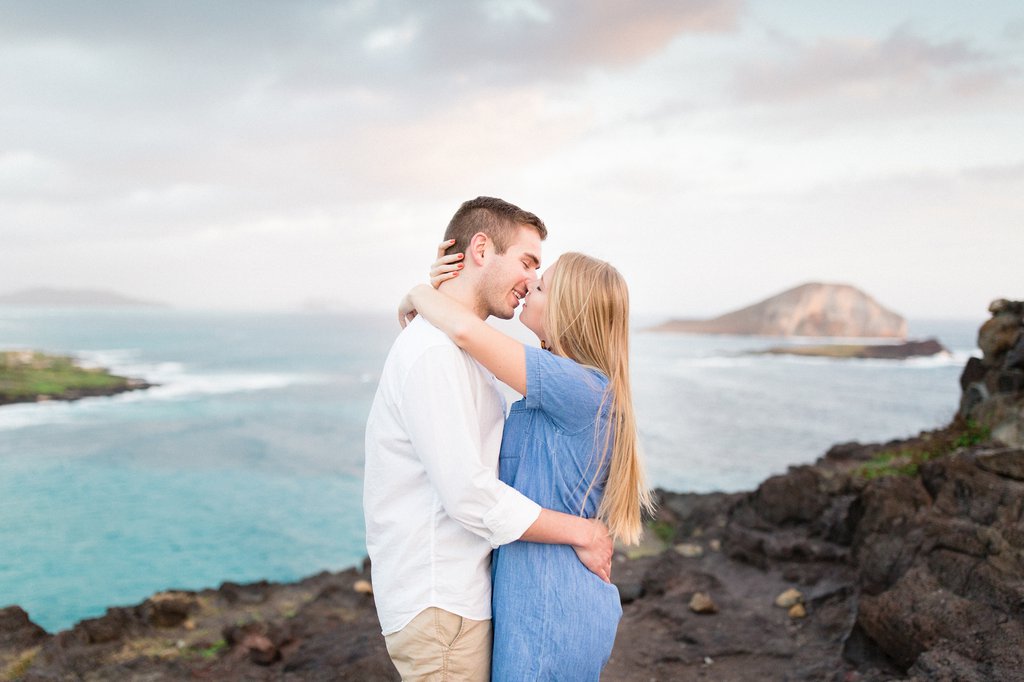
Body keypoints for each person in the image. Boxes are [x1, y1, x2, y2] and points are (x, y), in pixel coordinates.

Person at [364, 197, 614, 682]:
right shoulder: (437, 351)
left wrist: (421, 292)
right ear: (481, 248)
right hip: (442, 601)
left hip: (467, 600)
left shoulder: (469, 349)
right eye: (528, 263)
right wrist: (583, 530)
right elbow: (468, 494)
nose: (529, 282)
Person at [401, 247, 654, 681]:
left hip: (550, 612)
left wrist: (421, 292)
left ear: (567, 311)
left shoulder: (579, 388)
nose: (527, 289)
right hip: (535, 606)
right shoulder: (564, 386)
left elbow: (464, 331)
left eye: (540, 286)